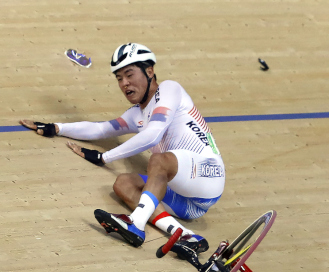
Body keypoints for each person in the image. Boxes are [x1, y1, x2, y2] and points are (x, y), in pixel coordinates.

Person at [20, 43, 225, 249]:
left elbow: (153, 135)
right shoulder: (137, 114)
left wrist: (104, 157)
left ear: (149, 71)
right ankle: (185, 236)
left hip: (208, 175)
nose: (124, 83)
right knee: (123, 184)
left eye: (129, 75)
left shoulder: (169, 89)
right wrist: (56, 128)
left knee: (159, 161)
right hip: (184, 199)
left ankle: (135, 223)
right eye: (119, 78)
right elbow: (100, 130)